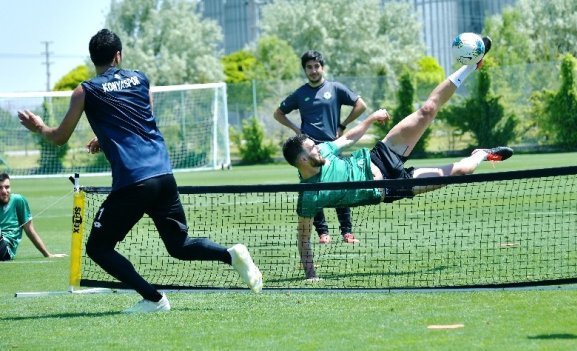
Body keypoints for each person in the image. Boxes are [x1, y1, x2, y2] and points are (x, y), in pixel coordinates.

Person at [17, 29, 262, 313]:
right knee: (179, 245)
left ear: (92, 58)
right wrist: (106, 138)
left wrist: (38, 127)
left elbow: (59, 137)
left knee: (98, 248)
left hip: (134, 181)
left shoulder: (85, 90)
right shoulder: (140, 78)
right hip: (163, 175)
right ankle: (230, 254)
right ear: (118, 55)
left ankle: (154, 299)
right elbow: (144, 119)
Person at [282, 38, 514, 280]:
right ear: (303, 161)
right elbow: (303, 238)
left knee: (427, 111)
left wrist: (371, 119)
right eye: (312, 149)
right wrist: (311, 275)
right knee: (459, 174)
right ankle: (482, 154)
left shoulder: (326, 150)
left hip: (380, 156)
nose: (318, 149)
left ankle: (470, 66)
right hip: (391, 188)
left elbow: (349, 138)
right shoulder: (308, 195)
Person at [274, 50, 367, 245]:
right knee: (314, 193)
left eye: (316, 66)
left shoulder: (335, 88)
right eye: (309, 67)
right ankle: (323, 233)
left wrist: (342, 125)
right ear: (305, 70)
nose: (313, 70)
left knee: (341, 187)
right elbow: (278, 113)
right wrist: (296, 130)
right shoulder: (300, 94)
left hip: (333, 147)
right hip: (309, 150)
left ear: (322, 67)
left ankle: (347, 232)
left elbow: (361, 105)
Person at [0, 172, 67, 261]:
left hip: (5, 249)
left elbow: (29, 230)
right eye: (0, 188)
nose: (4, 191)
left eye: (7, 187)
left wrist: (47, 254)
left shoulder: (18, 200)